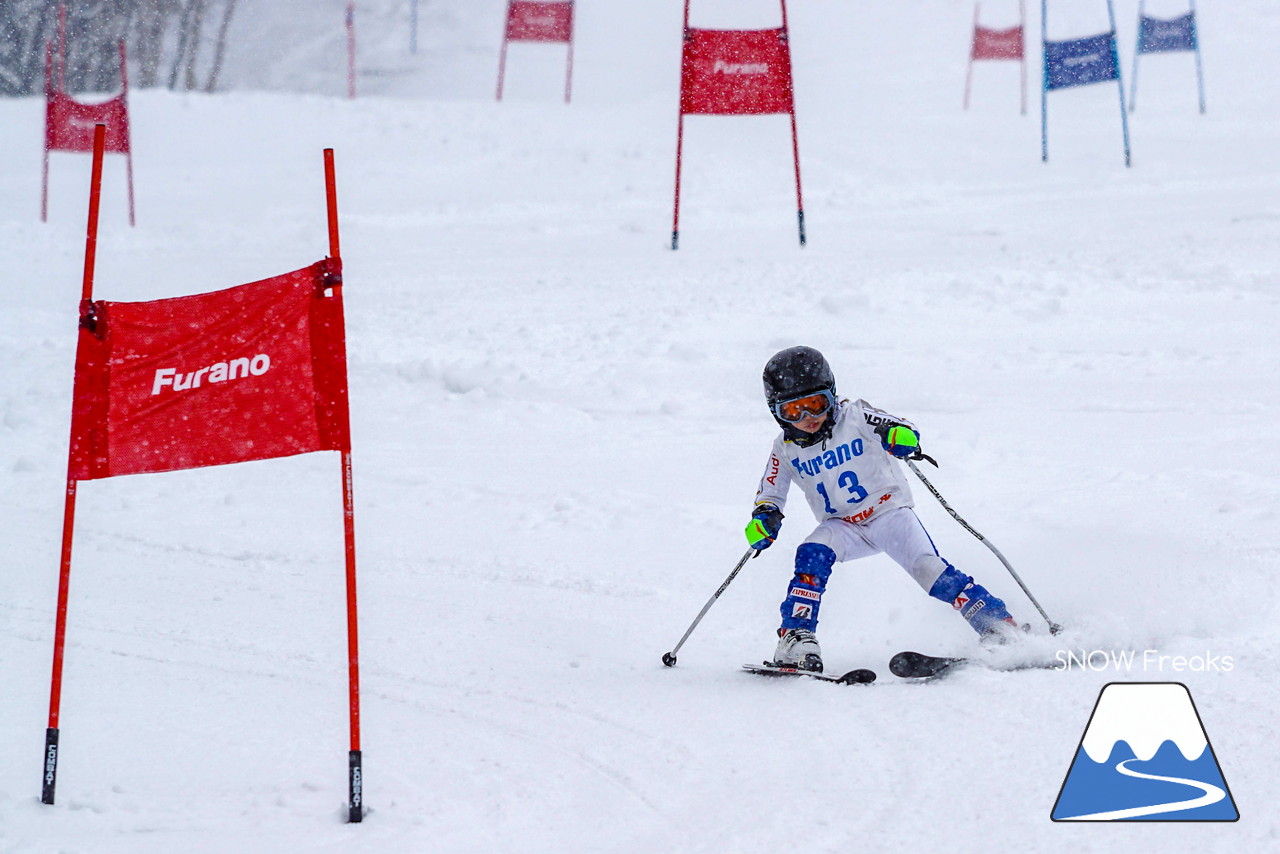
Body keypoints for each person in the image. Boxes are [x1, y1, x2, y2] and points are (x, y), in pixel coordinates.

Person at [745, 346, 1020, 672]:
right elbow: (769, 495)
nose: (808, 418)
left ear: (832, 395)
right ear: (776, 412)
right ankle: (796, 637)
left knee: (928, 569)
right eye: (793, 410)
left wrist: (900, 436)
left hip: (887, 513)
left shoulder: (856, 414)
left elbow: (901, 426)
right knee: (811, 552)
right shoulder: (784, 448)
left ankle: (997, 625)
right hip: (842, 526)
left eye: (816, 404)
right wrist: (763, 520)